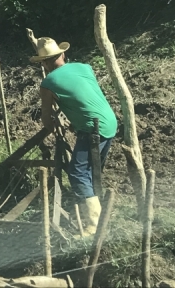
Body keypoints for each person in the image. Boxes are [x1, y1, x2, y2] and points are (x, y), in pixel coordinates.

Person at [27, 31, 118, 237]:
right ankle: (101, 214)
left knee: (78, 172)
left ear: (44, 63)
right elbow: (82, 94)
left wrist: (53, 129)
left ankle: (94, 226)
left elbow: (46, 117)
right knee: (92, 170)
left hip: (92, 128)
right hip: (109, 122)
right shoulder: (84, 67)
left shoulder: (48, 84)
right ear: (62, 54)